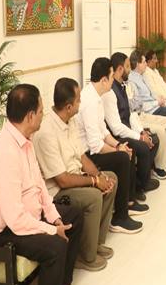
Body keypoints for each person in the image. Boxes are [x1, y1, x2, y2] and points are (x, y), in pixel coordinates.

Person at [0, 84, 83, 285]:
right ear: (30, 116)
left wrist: (55, 218)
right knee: (56, 245)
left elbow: (40, 186)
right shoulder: (6, 152)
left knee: (74, 216)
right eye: (41, 111)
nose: (43, 115)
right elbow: (14, 219)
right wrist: (50, 230)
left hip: (26, 217)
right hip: (2, 232)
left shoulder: (25, 141)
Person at [34, 78, 117, 272]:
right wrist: (94, 182)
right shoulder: (46, 132)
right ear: (69, 106)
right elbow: (62, 180)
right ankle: (85, 256)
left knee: (111, 179)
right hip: (58, 191)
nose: (81, 102)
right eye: (79, 99)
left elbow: (82, 157)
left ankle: (94, 244)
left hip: (76, 177)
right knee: (94, 196)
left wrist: (100, 176)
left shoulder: (69, 120)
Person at [75, 57, 146, 234]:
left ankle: (127, 203)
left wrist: (119, 145)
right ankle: (120, 218)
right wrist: (117, 150)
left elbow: (104, 132)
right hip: (86, 156)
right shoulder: (89, 101)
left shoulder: (97, 96)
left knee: (126, 150)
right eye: (112, 77)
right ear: (104, 80)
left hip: (94, 148)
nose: (113, 80)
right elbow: (95, 145)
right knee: (122, 158)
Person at [103, 52, 162, 194]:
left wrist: (141, 132)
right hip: (117, 137)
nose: (130, 70)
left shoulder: (122, 86)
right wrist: (139, 137)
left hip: (127, 130)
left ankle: (141, 181)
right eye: (128, 66)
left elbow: (130, 114)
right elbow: (116, 128)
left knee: (153, 139)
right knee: (142, 147)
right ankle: (139, 186)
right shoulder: (110, 93)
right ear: (120, 69)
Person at [128, 49, 166, 163]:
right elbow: (140, 105)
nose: (146, 64)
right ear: (137, 64)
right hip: (149, 111)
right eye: (144, 62)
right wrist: (157, 102)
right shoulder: (132, 81)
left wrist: (160, 99)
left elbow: (151, 94)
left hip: (155, 106)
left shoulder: (141, 76)